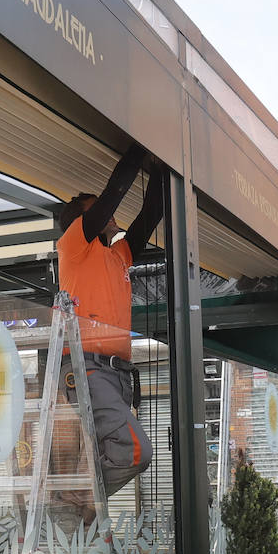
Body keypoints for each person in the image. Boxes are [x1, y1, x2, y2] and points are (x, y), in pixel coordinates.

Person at [52, 144, 165, 509]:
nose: (110, 214)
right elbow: (112, 197)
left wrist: (163, 168)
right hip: (87, 368)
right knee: (136, 451)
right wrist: (138, 149)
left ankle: (77, 497)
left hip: (115, 375)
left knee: (122, 449)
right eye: (96, 207)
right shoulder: (72, 246)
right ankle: (76, 496)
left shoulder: (116, 256)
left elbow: (150, 216)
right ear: (80, 220)